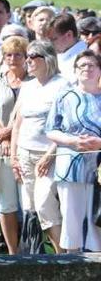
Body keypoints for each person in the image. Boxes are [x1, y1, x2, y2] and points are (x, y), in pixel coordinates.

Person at [9, 40, 66, 253]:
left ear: (48, 59)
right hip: (24, 153)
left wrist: (50, 155)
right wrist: (14, 157)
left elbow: (66, 126)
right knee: (30, 209)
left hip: (49, 155)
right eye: (28, 56)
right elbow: (18, 124)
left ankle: (64, 259)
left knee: (44, 205)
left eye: (34, 56)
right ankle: (35, 258)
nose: (28, 60)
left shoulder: (62, 85)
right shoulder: (28, 86)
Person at [45, 50, 101, 252]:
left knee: (97, 219)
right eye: (82, 66)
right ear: (75, 70)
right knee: (71, 217)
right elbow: (50, 129)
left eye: (92, 65)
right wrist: (72, 141)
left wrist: (99, 143)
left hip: (99, 169)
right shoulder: (64, 96)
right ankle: (73, 263)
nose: (87, 69)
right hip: (70, 167)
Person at [0, 36, 30, 255]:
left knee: (29, 203)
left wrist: (10, 133)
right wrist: (2, 137)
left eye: (18, 54)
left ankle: (33, 249)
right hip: (1, 149)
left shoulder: (34, 82)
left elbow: (30, 116)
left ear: (25, 56)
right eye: (8, 54)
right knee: (6, 203)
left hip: (28, 147)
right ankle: (13, 252)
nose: (13, 59)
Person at [46, 14, 87, 82]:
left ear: (69, 35)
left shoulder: (85, 59)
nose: (50, 44)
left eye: (54, 39)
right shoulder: (59, 53)